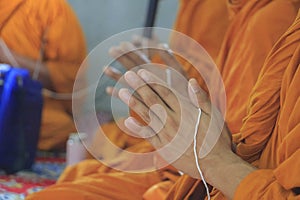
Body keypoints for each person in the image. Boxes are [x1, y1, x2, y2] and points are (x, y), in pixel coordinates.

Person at [26, 0, 299, 199]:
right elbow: (216, 98)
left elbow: (240, 136)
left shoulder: (272, 17)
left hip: (221, 176)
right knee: (81, 166)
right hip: (207, 169)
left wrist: (210, 157)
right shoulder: (241, 11)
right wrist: (168, 90)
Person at [119, 10, 300, 199]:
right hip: (214, 169)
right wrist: (177, 100)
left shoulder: (270, 18)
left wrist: (215, 161)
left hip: (224, 173)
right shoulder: (242, 13)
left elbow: (237, 131)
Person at [0, 0, 86, 150]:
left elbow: (71, 78)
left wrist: (7, 57)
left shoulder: (50, 7)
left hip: (27, 106)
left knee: (57, 126)